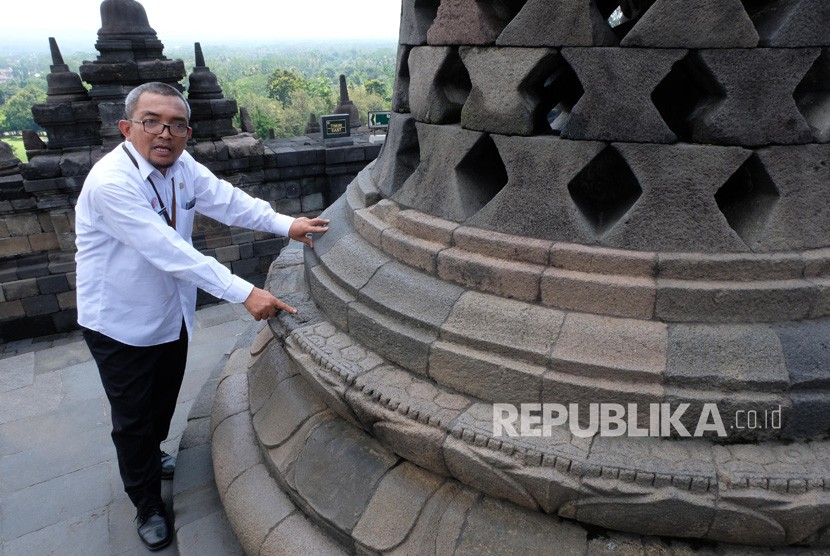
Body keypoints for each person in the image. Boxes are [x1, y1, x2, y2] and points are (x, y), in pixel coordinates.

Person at [74, 81, 329, 551]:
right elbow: (168, 250)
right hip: (120, 324)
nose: (164, 133)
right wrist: (244, 291)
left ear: (187, 133)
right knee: (132, 418)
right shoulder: (112, 184)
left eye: (175, 125)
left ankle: (150, 457)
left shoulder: (181, 166)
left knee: (163, 400)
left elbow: (225, 199)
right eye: (152, 122)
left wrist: (285, 224)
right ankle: (146, 501)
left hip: (172, 314)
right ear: (127, 127)